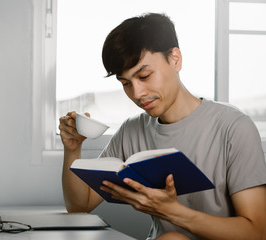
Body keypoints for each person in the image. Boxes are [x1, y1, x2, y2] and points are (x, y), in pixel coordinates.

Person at [59, 13, 266, 240]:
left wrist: (173, 212)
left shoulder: (233, 127)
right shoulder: (131, 131)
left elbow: (256, 231)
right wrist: (72, 148)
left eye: (145, 76)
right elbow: (80, 206)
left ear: (175, 59)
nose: (137, 94)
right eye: (126, 83)